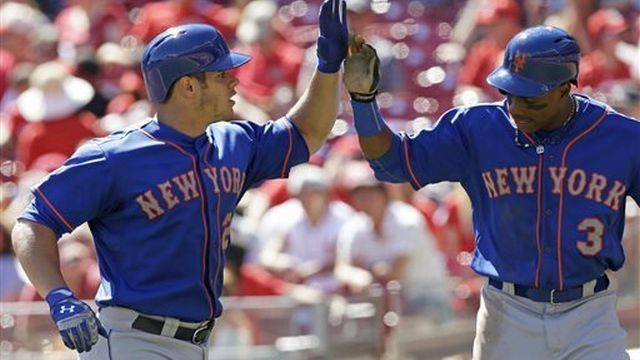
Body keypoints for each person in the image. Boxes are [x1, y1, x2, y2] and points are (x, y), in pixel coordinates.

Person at [10, 0, 348, 358]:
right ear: (188, 87)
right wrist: (59, 296)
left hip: (196, 341)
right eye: (220, 75)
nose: (234, 81)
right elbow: (32, 223)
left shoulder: (234, 142)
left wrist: (327, 67)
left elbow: (307, 131)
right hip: (131, 339)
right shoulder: (115, 157)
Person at [343, 26, 639, 359]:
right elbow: (392, 165)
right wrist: (364, 104)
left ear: (563, 89)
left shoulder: (623, 139)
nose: (516, 107)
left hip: (590, 312)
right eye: (509, 92)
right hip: (508, 312)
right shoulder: (476, 129)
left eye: (531, 98)